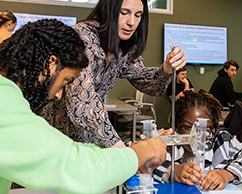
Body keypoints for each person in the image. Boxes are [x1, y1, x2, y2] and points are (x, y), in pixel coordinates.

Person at [0, 19, 167, 193]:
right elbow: (78, 168)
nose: (58, 95)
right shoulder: (5, 104)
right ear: (49, 63)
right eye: (65, 81)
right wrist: (142, 152)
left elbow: (71, 151)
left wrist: (128, 151)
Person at [42, 0, 186, 148]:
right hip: (56, 133)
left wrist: (167, 68)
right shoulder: (83, 37)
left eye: (138, 15)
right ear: (108, 11)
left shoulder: (123, 47)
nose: (131, 22)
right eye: (124, 13)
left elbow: (148, 83)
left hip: (89, 137)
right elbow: (83, 102)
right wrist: (122, 150)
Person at [153, 89, 242, 191]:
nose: (196, 135)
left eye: (204, 128)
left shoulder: (222, 141)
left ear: (213, 127)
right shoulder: (167, 143)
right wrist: (172, 171)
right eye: (188, 127)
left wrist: (227, 174)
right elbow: (143, 164)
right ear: (177, 125)